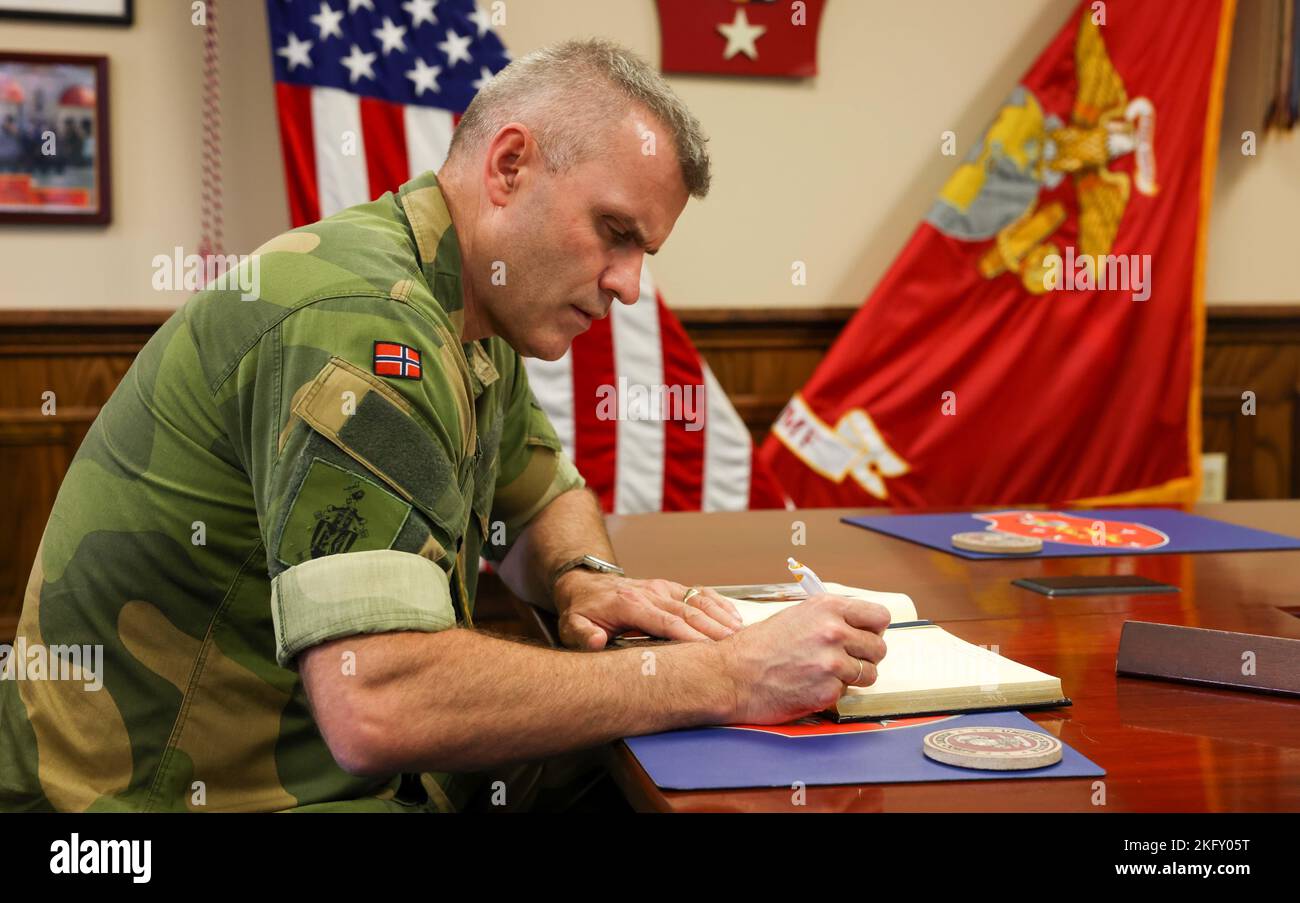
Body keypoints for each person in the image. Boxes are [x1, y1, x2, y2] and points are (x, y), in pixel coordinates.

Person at [0, 39, 888, 813]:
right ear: (508, 167)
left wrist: (582, 575)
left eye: (641, 253)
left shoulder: (463, 303)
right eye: (612, 232)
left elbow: (544, 491)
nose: (626, 284)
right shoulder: (366, 320)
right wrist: (725, 677)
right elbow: (376, 702)